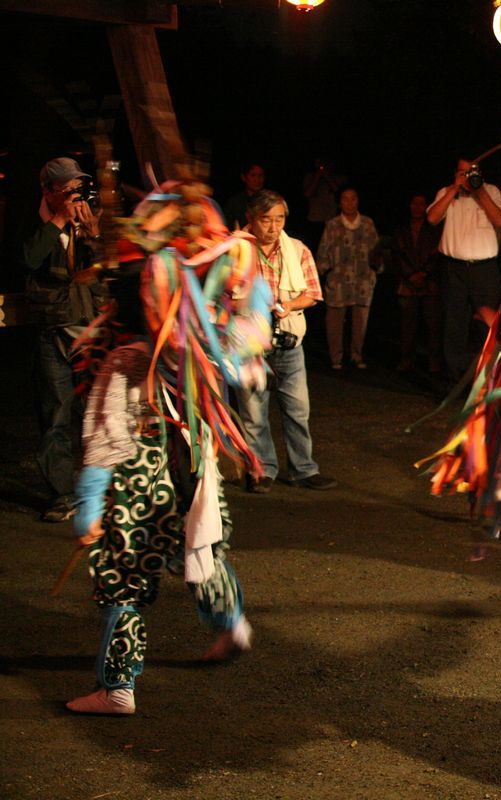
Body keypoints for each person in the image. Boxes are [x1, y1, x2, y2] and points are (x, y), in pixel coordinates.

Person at [65, 182, 270, 715]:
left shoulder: (129, 359)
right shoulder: (196, 355)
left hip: (139, 481)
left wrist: (89, 501)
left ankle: (117, 688)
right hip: (194, 467)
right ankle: (232, 626)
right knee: (201, 550)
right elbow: (242, 352)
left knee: (125, 576)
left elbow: (106, 435)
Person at [21, 157, 107, 522]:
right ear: (48, 193)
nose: (77, 196)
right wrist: (56, 222)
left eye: (79, 188)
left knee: (97, 414)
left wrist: (94, 237)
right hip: (52, 333)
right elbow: (27, 259)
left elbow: (106, 268)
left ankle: (96, 490)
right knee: (56, 413)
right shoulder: (33, 223)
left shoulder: (88, 218)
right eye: (68, 190)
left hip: (88, 330)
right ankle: (61, 494)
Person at [236, 190, 337, 493]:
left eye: (279, 219)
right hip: (249, 345)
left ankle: (303, 469)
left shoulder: (297, 249)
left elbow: (313, 294)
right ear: (251, 220)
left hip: (289, 342)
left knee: (297, 409)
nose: (273, 226)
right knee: (253, 413)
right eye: (266, 220)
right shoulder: (235, 250)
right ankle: (262, 470)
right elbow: (217, 295)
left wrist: (289, 305)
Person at [426, 158, 501, 379]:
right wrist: (454, 188)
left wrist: (478, 191)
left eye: (473, 171)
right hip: (454, 269)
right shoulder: (447, 191)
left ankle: (487, 376)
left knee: (487, 322)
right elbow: (432, 218)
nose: (469, 176)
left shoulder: (490, 191)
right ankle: (455, 378)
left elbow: (499, 220)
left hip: (484, 269)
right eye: (464, 172)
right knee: (454, 323)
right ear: (455, 174)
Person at [317, 187, 380, 369]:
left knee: (360, 321)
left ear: (358, 201)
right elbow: (323, 251)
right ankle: (336, 358)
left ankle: (356, 355)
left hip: (362, 280)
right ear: (340, 202)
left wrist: (375, 270)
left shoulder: (367, 224)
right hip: (338, 281)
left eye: (353, 199)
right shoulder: (333, 224)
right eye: (345, 199)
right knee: (335, 322)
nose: (349, 203)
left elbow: (376, 251)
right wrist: (323, 272)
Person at [393, 192, 443, 373]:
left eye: (422, 204)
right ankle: (406, 359)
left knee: (433, 325)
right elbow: (398, 255)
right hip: (407, 284)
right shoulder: (401, 230)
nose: (417, 207)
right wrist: (410, 275)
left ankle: (434, 361)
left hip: (429, 284)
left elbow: (437, 255)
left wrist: (424, 273)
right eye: (414, 203)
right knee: (407, 325)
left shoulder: (435, 230)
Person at [222, 162, 264, 229]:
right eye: (253, 175)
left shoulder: (268, 201)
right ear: (244, 177)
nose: (257, 179)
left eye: (260, 176)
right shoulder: (234, 203)